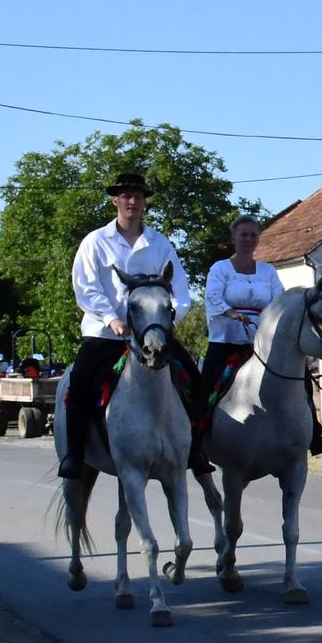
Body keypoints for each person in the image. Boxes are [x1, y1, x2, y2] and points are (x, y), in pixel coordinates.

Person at [60, 171, 211, 480]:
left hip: (152, 334)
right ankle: (74, 455)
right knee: (78, 385)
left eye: (138, 197)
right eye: (126, 196)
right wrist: (111, 318)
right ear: (115, 200)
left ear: (144, 203)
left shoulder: (159, 243)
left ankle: (194, 450)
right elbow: (86, 287)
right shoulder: (96, 242)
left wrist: (167, 322)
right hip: (105, 334)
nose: (132, 201)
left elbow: (179, 289)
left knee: (194, 381)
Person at [202, 215, 322, 455]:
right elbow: (213, 297)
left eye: (253, 235)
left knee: (302, 377)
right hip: (227, 341)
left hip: (261, 342)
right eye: (243, 234)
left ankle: (314, 434)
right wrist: (231, 312)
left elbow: (281, 301)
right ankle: (197, 437)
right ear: (233, 238)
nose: (248, 239)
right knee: (205, 385)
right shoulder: (220, 268)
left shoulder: (267, 271)